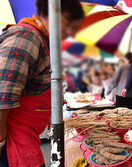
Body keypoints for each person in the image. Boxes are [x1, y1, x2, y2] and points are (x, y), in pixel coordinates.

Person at [0, 0, 84, 166]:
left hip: (27, 135)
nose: (68, 32)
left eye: (73, 28)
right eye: (65, 24)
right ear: (47, 13)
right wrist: (1, 139)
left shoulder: (44, 40)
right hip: (12, 141)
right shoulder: (27, 36)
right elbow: (3, 93)